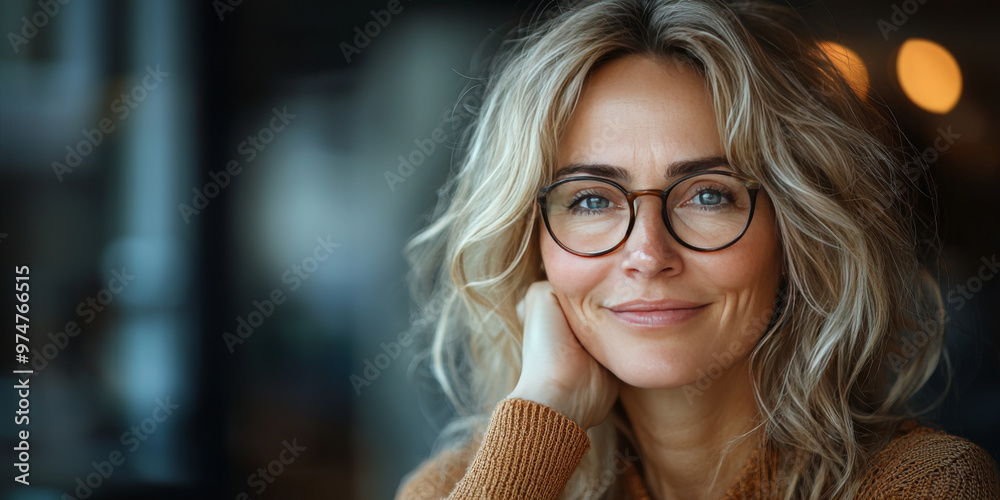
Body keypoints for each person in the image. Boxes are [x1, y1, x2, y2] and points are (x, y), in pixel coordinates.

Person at [396, 0, 1000, 498]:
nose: (649, 253)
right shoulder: (466, 484)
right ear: (531, 244)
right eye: (590, 200)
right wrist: (543, 411)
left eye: (709, 195)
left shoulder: (920, 484)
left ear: (795, 230)